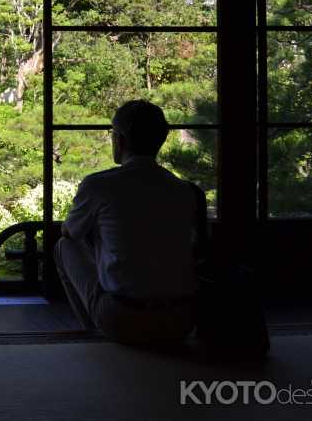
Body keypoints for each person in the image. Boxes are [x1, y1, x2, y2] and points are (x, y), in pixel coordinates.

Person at [54, 100, 205, 346]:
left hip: (124, 319)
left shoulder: (100, 185)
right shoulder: (183, 190)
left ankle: (93, 332)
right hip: (182, 320)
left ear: (120, 140)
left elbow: (69, 232)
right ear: (162, 140)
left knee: (64, 246)